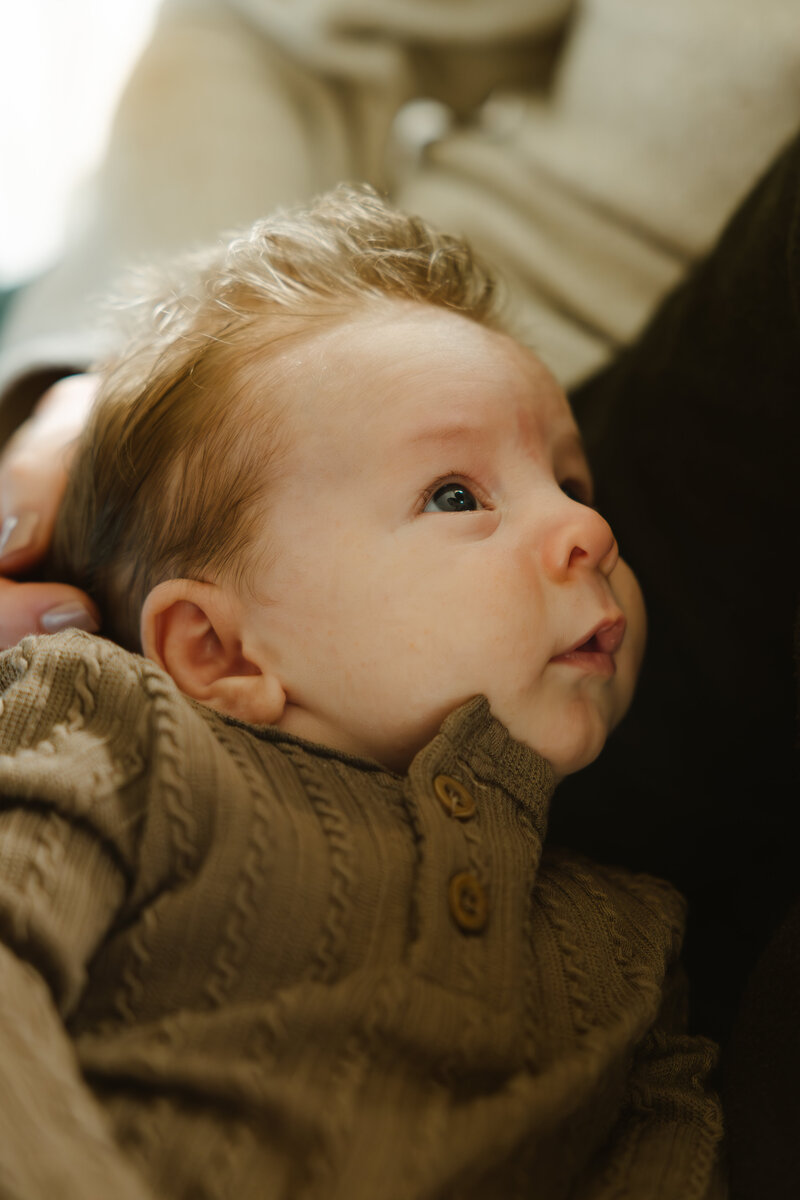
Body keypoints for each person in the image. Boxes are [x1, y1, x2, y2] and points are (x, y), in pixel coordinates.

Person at [0, 187, 724, 1199]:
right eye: (456, 496)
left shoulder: (631, 944)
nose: (589, 535)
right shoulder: (118, 731)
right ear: (217, 652)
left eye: (573, 485)